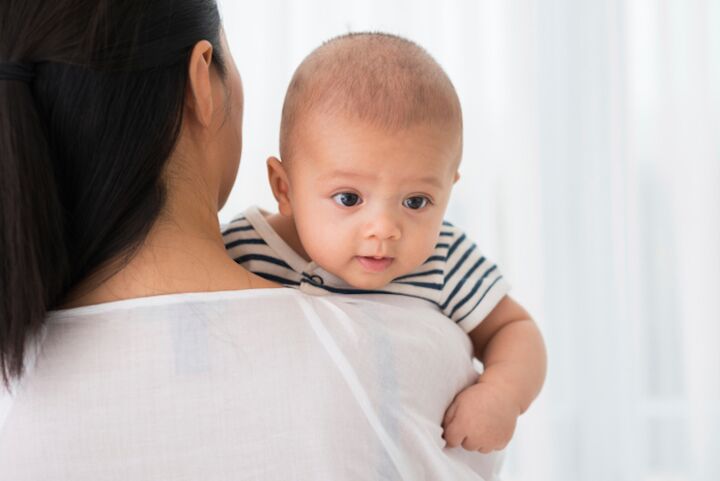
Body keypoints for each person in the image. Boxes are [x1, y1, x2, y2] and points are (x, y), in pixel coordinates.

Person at [1, 2, 506, 479]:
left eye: (413, 201)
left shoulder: (14, 394)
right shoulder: (410, 357)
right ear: (202, 79)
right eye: (350, 197)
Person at [223, 32, 547, 453]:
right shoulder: (244, 249)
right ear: (284, 188)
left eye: (416, 201)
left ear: (450, 188)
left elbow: (514, 329)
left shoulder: (443, 257)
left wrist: (502, 393)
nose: (384, 229)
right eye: (349, 199)